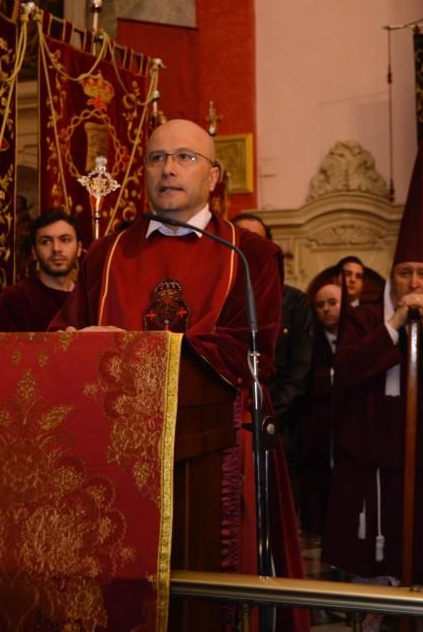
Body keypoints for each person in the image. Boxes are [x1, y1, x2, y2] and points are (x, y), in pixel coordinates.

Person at [51, 119, 310, 631]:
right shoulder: (105, 254)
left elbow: (250, 354)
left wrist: (133, 350)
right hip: (115, 455)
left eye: (185, 157)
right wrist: (77, 344)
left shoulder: (249, 253)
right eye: (156, 158)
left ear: (213, 177)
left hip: (215, 456)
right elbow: (66, 334)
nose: (168, 168)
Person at [322, 149, 423, 632]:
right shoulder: (366, 318)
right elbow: (349, 367)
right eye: (405, 272)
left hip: (417, 460)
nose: (413, 283)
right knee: (370, 561)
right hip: (368, 461)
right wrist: (395, 326)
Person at [231, 213, 314, 508]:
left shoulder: (293, 301)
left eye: (256, 240)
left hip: (277, 428)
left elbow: (300, 373)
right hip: (226, 428)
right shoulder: (217, 298)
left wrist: (262, 413)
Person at [0, 208, 82, 331]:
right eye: (46, 241)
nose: (56, 248)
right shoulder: (14, 299)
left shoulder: (88, 299)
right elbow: (3, 348)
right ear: (34, 251)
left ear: (79, 248)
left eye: (65, 239)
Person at [301, 283, 341, 537]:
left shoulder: (357, 334)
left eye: (332, 303)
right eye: (320, 305)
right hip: (318, 425)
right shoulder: (310, 340)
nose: (326, 309)